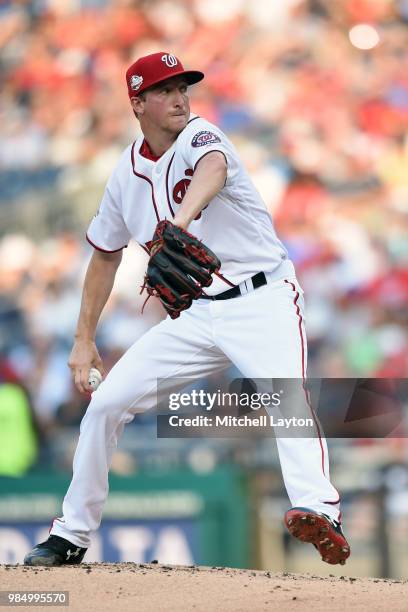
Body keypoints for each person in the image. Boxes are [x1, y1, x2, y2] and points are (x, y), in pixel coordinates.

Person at [24, 52, 350, 567]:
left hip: (262, 297)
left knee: (284, 395)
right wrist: (83, 338)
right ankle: (70, 536)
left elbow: (213, 169)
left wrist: (178, 220)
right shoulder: (123, 177)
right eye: (164, 90)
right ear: (137, 103)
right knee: (107, 405)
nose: (179, 98)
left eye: (183, 87)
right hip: (196, 316)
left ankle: (318, 508)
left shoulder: (202, 135)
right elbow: (105, 256)